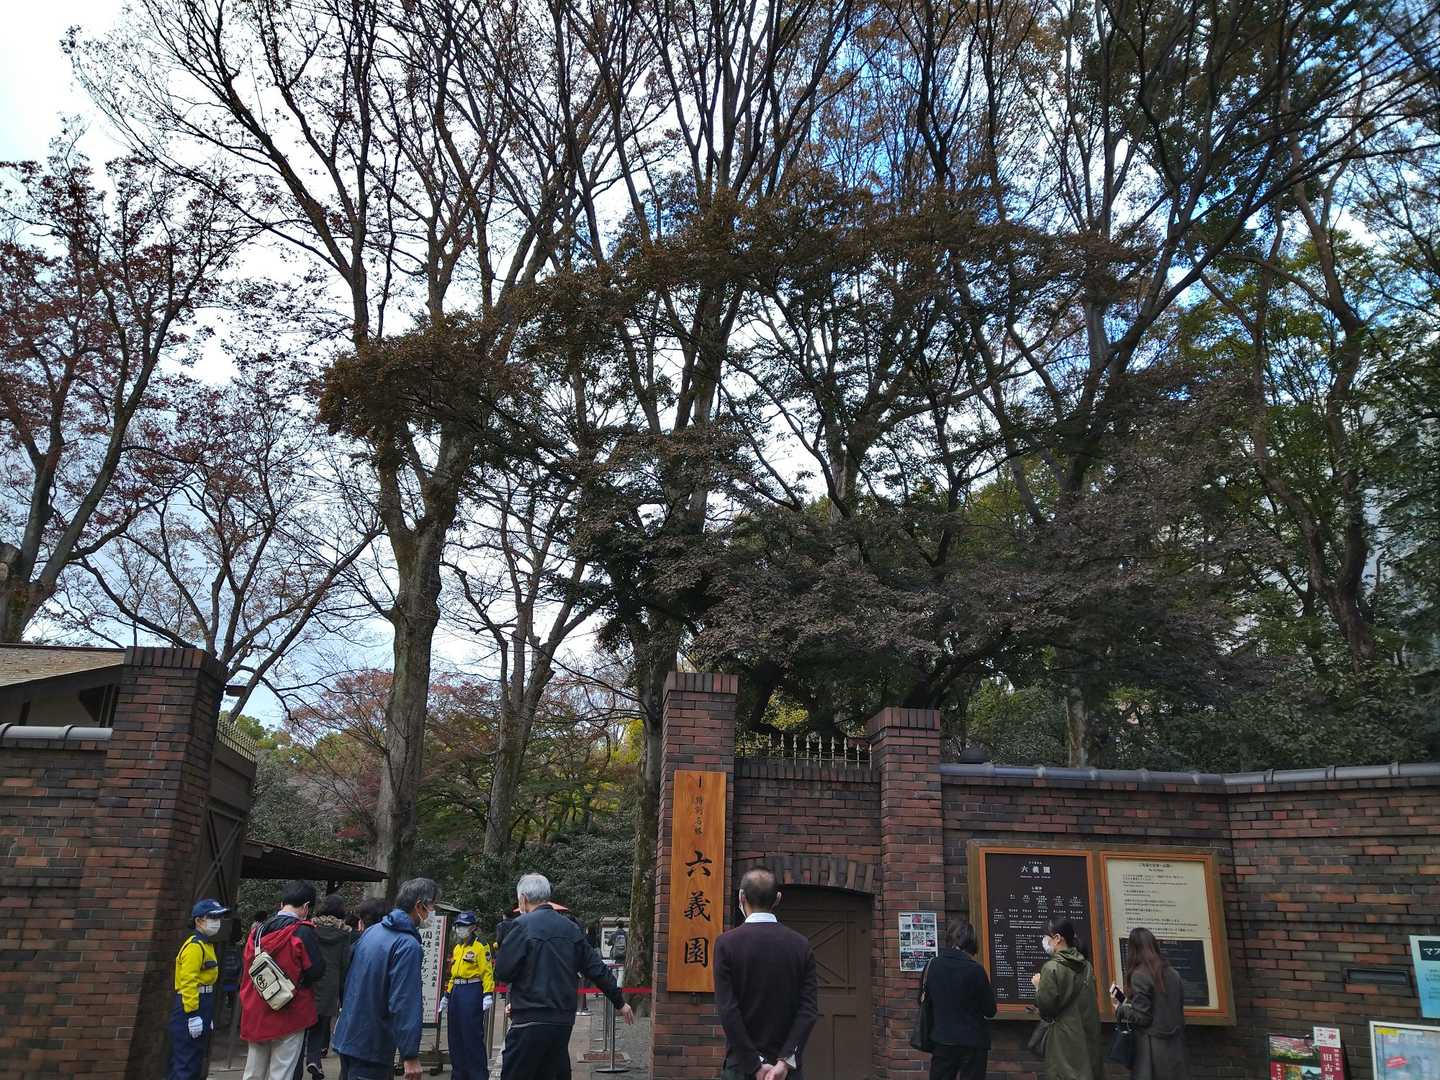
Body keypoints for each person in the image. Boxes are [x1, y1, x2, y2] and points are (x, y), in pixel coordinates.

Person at [494, 873, 634, 1080]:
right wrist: (619, 1001)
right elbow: (596, 968)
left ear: (523, 899)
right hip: (562, 1020)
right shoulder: (570, 929)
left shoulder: (521, 926)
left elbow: (503, 972)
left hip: (529, 1017)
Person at [713, 867, 819, 1080]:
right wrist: (785, 1061)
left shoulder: (726, 944)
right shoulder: (800, 945)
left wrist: (754, 1064)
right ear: (777, 898)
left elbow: (728, 1010)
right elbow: (808, 1010)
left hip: (741, 1067)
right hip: (787, 1072)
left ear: (741, 897)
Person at [330, 877, 439, 1080]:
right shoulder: (407, 945)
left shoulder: (372, 931)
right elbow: (404, 1001)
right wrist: (410, 1054)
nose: (433, 912)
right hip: (373, 1043)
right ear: (419, 905)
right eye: (432, 906)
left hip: (349, 1035)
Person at [240, 881, 327, 1080]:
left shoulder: (257, 932)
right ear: (306, 907)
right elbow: (315, 971)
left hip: (257, 1009)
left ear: (282, 904)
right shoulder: (303, 932)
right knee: (281, 1072)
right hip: (290, 1011)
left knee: (253, 1072)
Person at [922, 918, 996, 1080]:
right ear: (971, 942)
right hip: (973, 1041)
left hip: (942, 1039)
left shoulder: (932, 965)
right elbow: (990, 1010)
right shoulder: (976, 971)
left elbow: (923, 1001)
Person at [1029, 920, 1103, 1080]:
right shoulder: (1087, 966)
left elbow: (1046, 1010)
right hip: (1086, 1038)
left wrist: (1038, 987)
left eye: (1046, 936)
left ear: (1057, 938)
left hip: (1062, 1040)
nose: (1044, 941)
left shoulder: (1051, 968)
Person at [1112, 927, 1188, 1080]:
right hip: (1174, 1048)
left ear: (1133, 949)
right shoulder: (1173, 973)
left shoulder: (1139, 975)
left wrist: (1120, 1009)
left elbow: (1143, 1017)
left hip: (1150, 1051)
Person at [167, 898, 228, 1080]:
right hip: (190, 1005)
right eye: (213, 917)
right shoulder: (195, 947)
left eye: (219, 918)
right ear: (199, 920)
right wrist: (193, 1014)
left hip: (203, 1004)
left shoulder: (206, 944)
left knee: (193, 1060)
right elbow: (188, 982)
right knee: (186, 1062)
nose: (217, 922)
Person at [296, 894, 352, 1080]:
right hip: (331, 983)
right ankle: (314, 1060)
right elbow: (345, 962)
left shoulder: (309, 928)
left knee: (301, 1027)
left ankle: (297, 1068)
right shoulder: (344, 933)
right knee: (320, 1025)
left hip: (309, 980)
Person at [440, 911, 494, 1080]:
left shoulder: (480, 946)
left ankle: (477, 1075)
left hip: (472, 990)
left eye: (464, 926)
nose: (460, 929)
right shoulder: (458, 948)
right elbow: (454, 975)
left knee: (471, 1036)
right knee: (455, 1036)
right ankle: (459, 1075)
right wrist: (447, 995)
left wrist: (488, 993)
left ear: (473, 927)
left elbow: (487, 972)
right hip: (456, 991)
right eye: (458, 926)